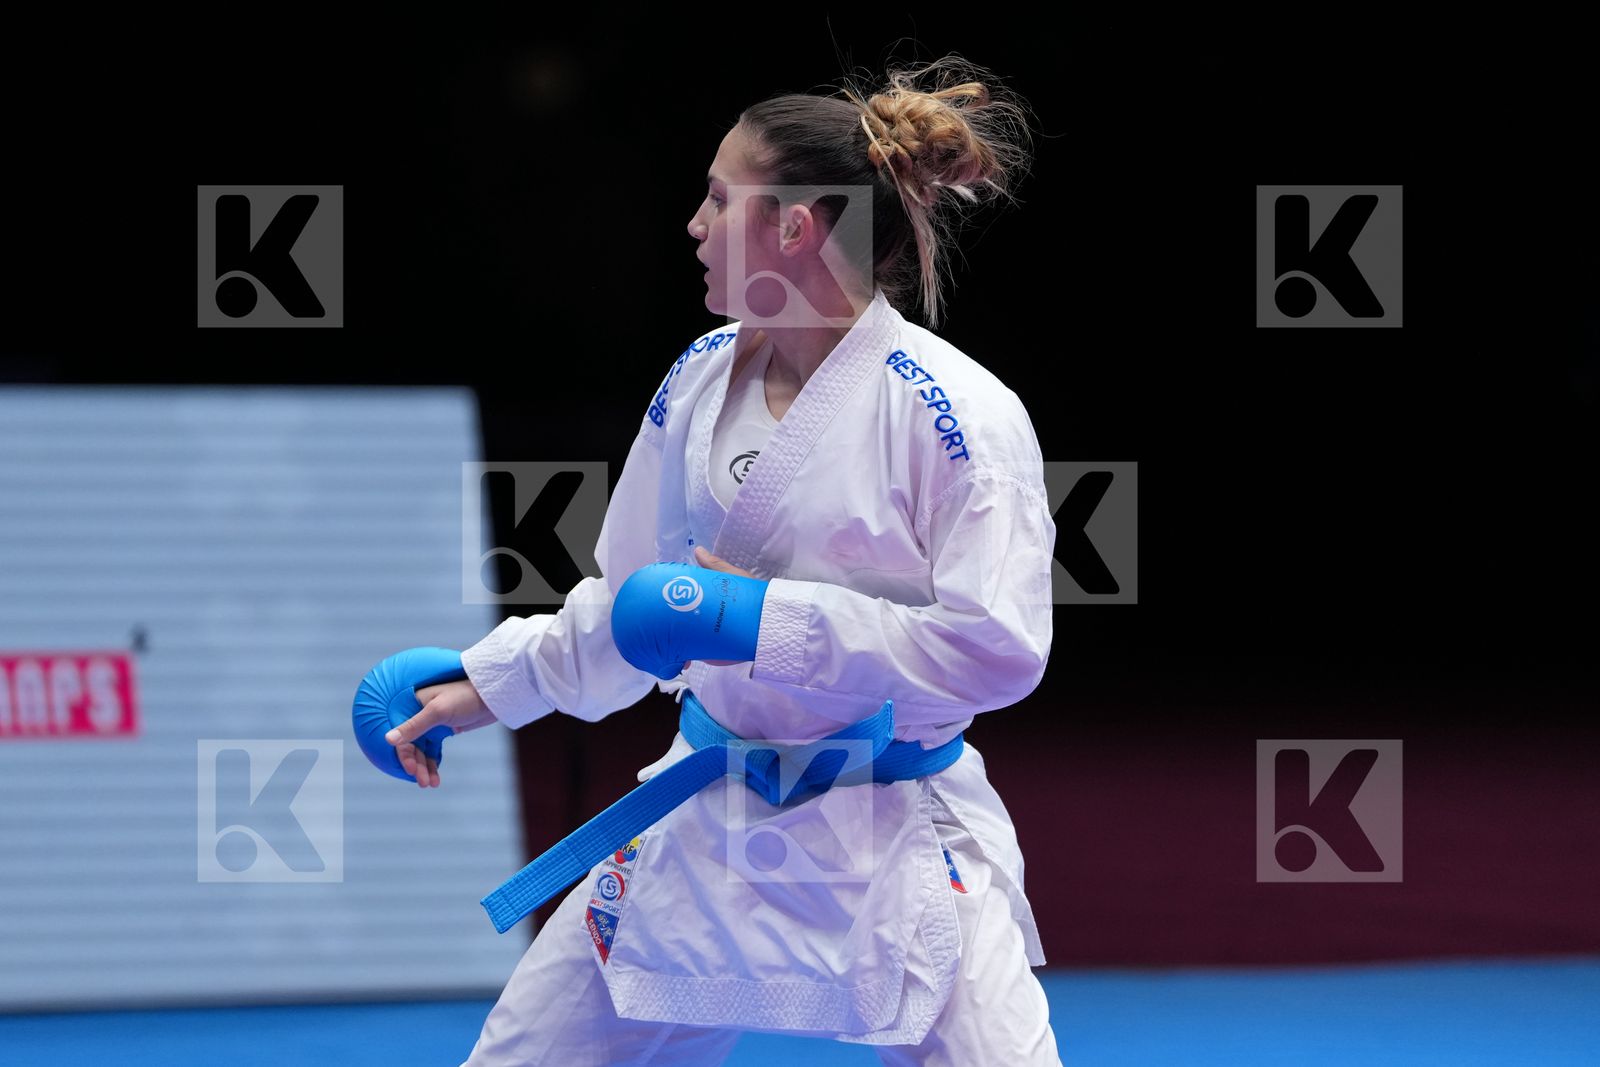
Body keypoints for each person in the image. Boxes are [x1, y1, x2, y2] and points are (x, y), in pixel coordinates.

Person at [382, 55, 1061, 1065]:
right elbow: (639, 607)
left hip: (889, 825)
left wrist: (758, 618)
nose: (694, 225)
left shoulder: (955, 412)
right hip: (708, 808)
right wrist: (487, 682)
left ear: (792, 226)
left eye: (717, 198)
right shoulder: (698, 380)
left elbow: (996, 649)